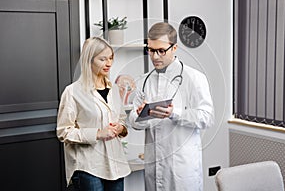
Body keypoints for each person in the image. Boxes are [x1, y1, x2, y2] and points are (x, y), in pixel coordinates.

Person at [129, 22, 214, 191]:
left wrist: (174, 113)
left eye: (161, 51)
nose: (154, 56)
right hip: (154, 165)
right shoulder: (145, 81)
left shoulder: (194, 78)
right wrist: (142, 115)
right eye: (151, 50)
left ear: (174, 48)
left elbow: (207, 118)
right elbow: (133, 121)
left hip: (181, 167)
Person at [56, 37, 131, 191]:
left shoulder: (114, 90)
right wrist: (97, 133)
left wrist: (120, 128)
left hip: (115, 164)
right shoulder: (72, 92)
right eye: (102, 59)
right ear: (89, 60)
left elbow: (122, 119)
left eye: (111, 58)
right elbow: (63, 132)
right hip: (88, 167)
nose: (108, 63)